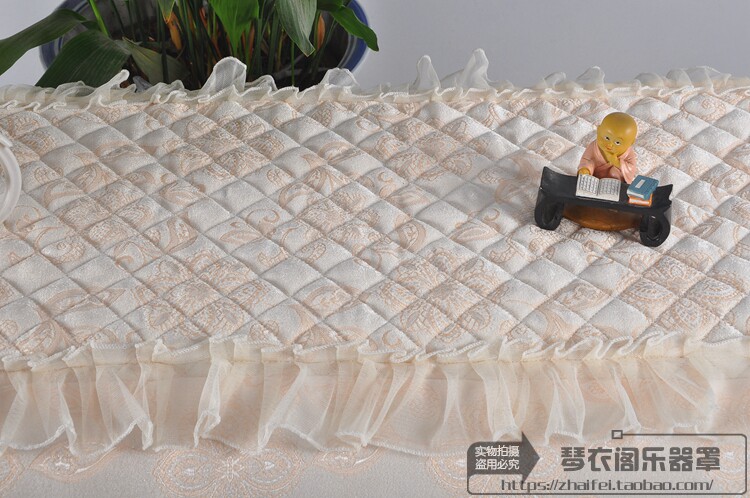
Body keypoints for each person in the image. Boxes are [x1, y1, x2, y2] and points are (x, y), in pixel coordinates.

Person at [577, 112, 637, 184]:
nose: (610, 145)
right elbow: (587, 160)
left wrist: (617, 163)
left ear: (631, 143)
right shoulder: (594, 146)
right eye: (607, 138)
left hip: (614, 182)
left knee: (614, 173)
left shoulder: (628, 153)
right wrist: (585, 169)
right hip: (593, 179)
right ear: (599, 130)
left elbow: (631, 169)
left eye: (617, 142)